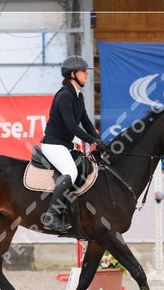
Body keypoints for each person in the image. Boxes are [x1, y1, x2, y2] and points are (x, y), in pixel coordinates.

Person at [40, 55, 107, 233]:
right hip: (53, 144)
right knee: (71, 171)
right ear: (72, 74)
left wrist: (98, 139)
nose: (87, 74)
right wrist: (91, 140)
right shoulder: (64, 96)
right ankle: (51, 216)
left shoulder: (78, 95)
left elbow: (85, 121)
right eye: (83, 71)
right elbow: (71, 125)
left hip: (64, 145)